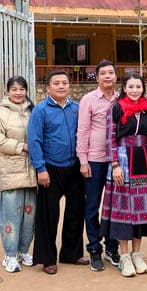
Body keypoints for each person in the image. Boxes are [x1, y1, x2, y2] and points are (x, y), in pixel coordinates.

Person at [103, 72, 147, 277]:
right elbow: (110, 137)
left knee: (139, 208)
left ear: (143, 88)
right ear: (124, 88)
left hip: (143, 160)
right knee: (123, 208)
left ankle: (137, 253)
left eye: (138, 86)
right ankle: (124, 256)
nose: (135, 90)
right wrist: (115, 164)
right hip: (122, 160)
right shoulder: (117, 108)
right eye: (131, 86)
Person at [29, 70, 87, 275]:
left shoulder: (76, 108)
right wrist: (41, 168)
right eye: (56, 83)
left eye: (64, 82)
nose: (61, 86)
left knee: (75, 211)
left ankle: (71, 253)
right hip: (51, 168)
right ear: (48, 88)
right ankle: (47, 258)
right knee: (48, 215)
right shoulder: (41, 110)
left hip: (75, 167)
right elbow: (34, 140)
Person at [76, 60, 120, 271]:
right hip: (95, 160)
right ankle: (94, 248)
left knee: (114, 207)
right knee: (92, 206)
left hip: (117, 162)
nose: (108, 76)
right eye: (103, 73)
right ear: (97, 77)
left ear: (116, 76)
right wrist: (83, 161)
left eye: (111, 72)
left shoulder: (122, 99)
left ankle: (112, 247)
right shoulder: (88, 100)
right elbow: (82, 131)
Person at [0, 76, 38, 273]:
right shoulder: (1, 113)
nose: (18, 93)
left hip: (31, 172)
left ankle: (23, 251)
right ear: (8, 91)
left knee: (30, 216)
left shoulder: (32, 111)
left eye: (21, 89)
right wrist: (21, 147)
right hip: (11, 171)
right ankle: (10, 255)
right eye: (14, 89)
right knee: (10, 216)